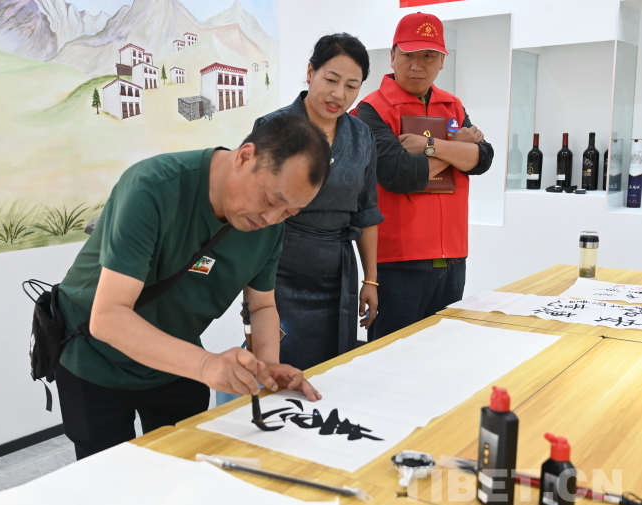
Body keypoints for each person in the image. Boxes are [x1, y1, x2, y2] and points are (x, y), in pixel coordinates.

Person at [54, 113, 330, 460]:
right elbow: (108, 318)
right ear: (245, 157)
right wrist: (204, 366)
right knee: (110, 479)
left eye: (290, 212)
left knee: (186, 466)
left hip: (176, 357)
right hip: (97, 360)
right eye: (271, 201)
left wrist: (267, 367)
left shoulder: (269, 228)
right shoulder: (152, 187)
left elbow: (261, 306)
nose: (272, 219)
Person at [354, 12, 494, 341]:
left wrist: (431, 146)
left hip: (453, 256)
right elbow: (398, 174)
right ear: (392, 56)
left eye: (429, 56)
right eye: (408, 55)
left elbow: (483, 158)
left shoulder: (452, 105)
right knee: (391, 355)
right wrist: (456, 147)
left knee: (441, 353)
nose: (417, 66)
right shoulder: (372, 110)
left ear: (442, 61)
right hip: (399, 261)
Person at [253, 34, 383, 371]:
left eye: (352, 86)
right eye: (331, 79)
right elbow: (252, 210)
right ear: (310, 72)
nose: (339, 94)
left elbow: (367, 211)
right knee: (278, 368)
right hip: (279, 272)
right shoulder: (273, 127)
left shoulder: (361, 136)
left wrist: (370, 279)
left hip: (337, 274)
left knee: (332, 370)